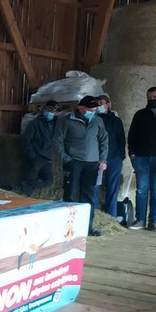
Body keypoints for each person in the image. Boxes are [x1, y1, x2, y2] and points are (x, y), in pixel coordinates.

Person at [53, 95, 108, 236]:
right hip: (74, 162)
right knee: (71, 195)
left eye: (95, 109)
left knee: (88, 196)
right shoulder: (66, 121)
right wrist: (66, 159)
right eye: (90, 109)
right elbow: (57, 140)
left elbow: (103, 140)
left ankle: (88, 228)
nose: (93, 112)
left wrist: (103, 159)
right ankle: (68, 229)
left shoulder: (97, 121)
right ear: (81, 108)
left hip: (92, 164)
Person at [126, 86, 156, 231]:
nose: (152, 100)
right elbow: (132, 135)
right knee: (141, 189)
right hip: (141, 157)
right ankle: (140, 220)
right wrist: (132, 154)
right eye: (149, 98)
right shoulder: (140, 114)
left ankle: (154, 221)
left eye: (154, 97)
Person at [94, 94, 126, 219]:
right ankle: (95, 215)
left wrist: (120, 156)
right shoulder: (94, 120)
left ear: (108, 104)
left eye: (101, 103)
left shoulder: (116, 121)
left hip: (113, 157)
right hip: (97, 158)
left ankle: (110, 217)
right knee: (95, 187)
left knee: (112, 187)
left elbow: (121, 139)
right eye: (97, 104)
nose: (99, 106)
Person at [19, 100, 59, 196]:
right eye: (48, 110)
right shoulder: (35, 123)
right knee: (32, 176)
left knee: (49, 180)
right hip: (37, 155)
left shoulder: (56, 123)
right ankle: (25, 194)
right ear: (44, 109)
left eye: (53, 111)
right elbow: (26, 139)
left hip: (47, 156)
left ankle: (24, 185)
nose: (50, 113)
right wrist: (32, 154)